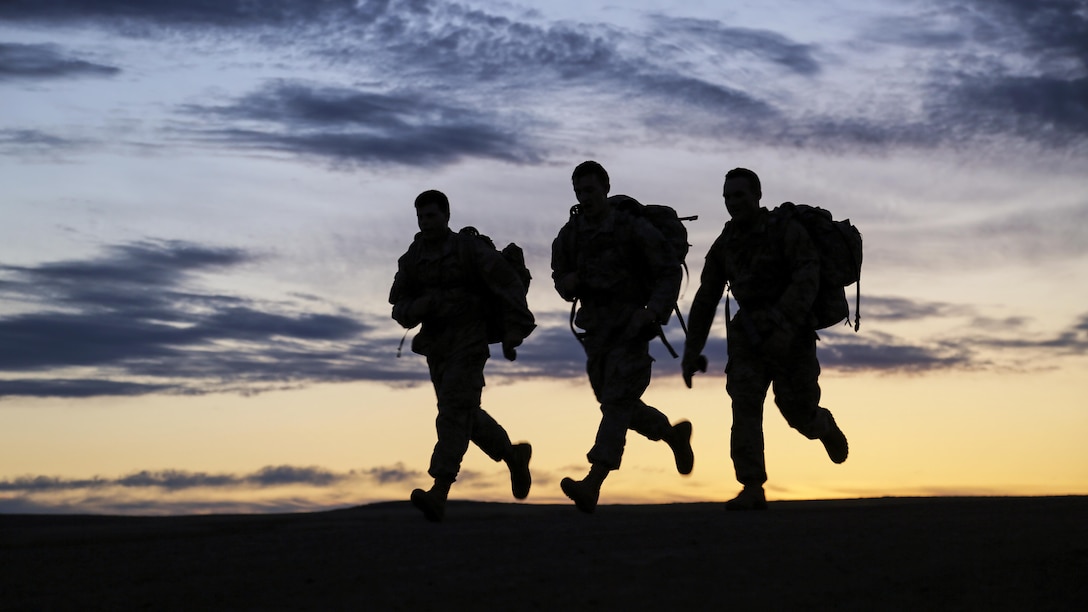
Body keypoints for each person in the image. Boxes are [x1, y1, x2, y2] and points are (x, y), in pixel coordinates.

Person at [681, 167, 849, 511]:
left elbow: (808, 274)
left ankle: (824, 427)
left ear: (757, 196)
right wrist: (691, 350)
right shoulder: (726, 244)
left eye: (739, 195)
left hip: (793, 333)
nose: (733, 203)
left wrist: (783, 323)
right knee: (744, 404)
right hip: (748, 337)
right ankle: (752, 486)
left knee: (797, 411)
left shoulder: (785, 229)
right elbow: (706, 296)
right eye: (727, 197)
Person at [551, 160, 694, 513]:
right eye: (579, 192)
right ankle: (672, 435)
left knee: (616, 403)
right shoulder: (571, 234)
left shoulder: (631, 228)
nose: (585, 198)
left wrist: (652, 311)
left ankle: (593, 481)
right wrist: (566, 284)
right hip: (596, 332)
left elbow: (667, 270)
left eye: (591, 190)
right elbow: (560, 274)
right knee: (615, 401)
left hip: (632, 327)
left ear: (606, 189)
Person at [389, 189, 537, 522]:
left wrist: (514, 331)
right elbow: (398, 306)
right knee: (464, 412)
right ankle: (513, 455)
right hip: (437, 348)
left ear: (446, 216)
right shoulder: (414, 258)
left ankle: (439, 490)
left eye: (432, 215)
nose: (426, 222)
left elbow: (507, 283)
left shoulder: (468, 249)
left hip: (470, 341)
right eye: (421, 216)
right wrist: (418, 307)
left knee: (454, 412)